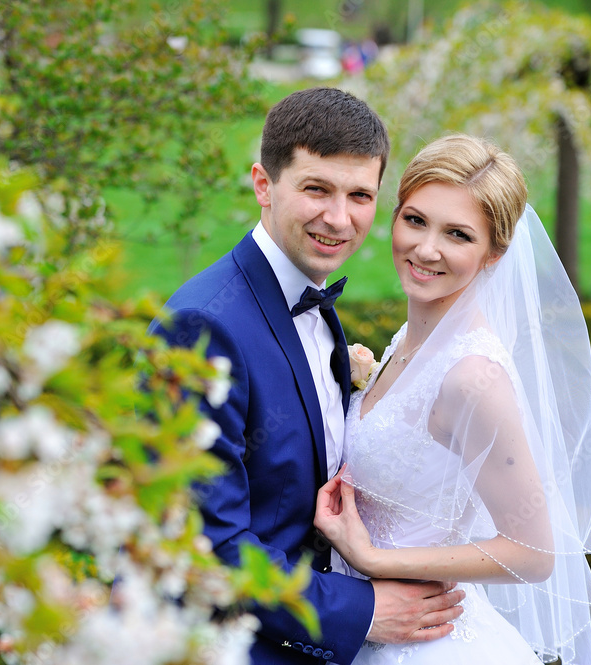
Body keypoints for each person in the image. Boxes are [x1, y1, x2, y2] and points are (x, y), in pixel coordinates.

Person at [150, 88, 464, 665]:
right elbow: (206, 543)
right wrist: (363, 610)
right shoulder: (202, 325)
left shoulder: (313, 302)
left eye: (360, 195)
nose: (339, 219)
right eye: (316, 188)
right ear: (264, 185)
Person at [313, 134, 591, 664]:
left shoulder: (472, 377)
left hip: (431, 644)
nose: (426, 249)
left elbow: (536, 553)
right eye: (416, 220)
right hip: (369, 628)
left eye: (458, 234)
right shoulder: (410, 340)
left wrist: (375, 559)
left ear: (494, 252)